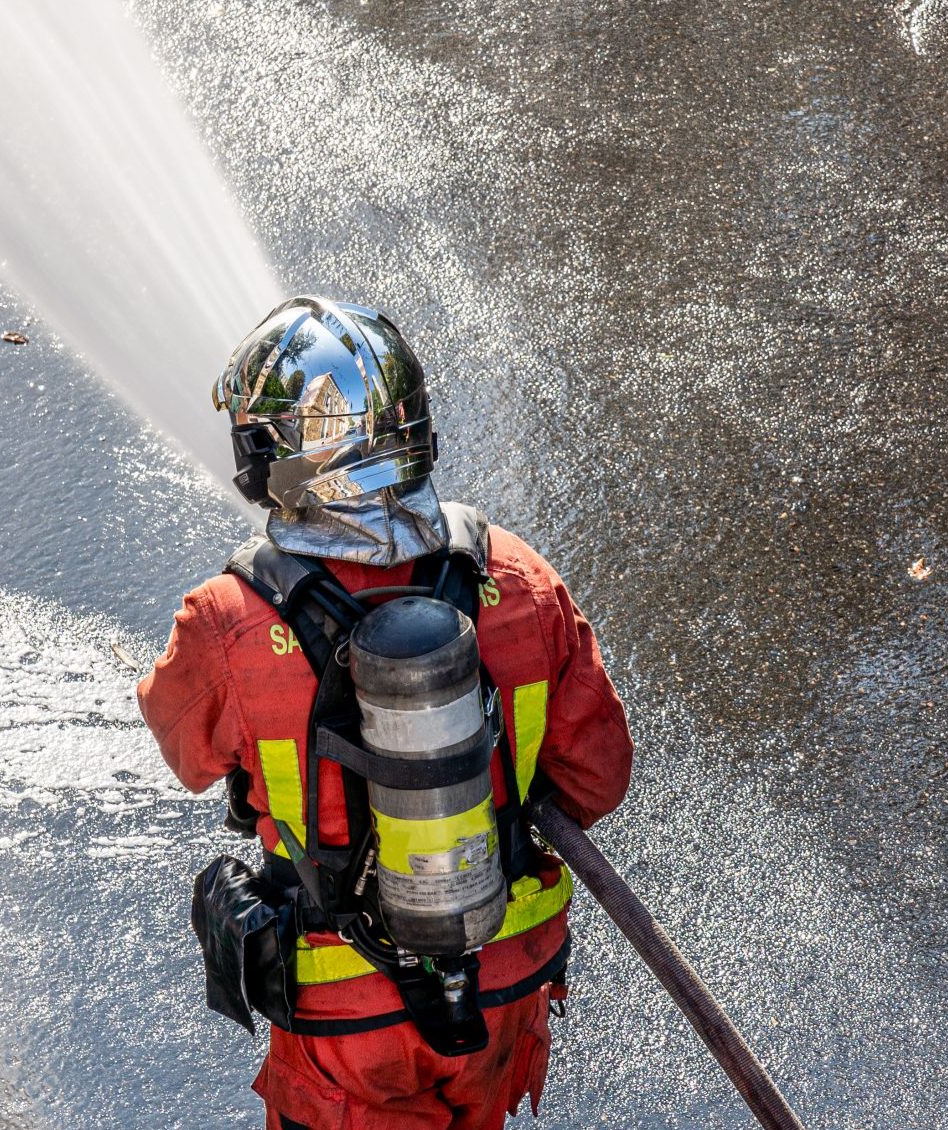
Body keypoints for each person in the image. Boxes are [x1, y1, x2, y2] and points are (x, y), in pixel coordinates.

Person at [138, 296, 633, 1129]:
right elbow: (597, 777)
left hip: (347, 1014)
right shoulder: (516, 576)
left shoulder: (225, 618)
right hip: (505, 979)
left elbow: (188, 756)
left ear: (271, 456)